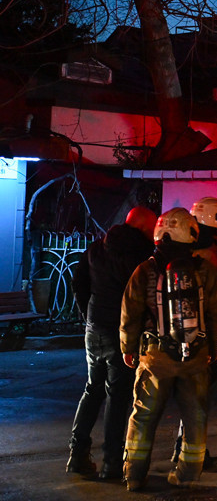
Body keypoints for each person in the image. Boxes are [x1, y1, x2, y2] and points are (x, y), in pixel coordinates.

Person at [119, 208, 217, 492]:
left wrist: (128, 348)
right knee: (195, 418)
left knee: (143, 417)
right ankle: (187, 475)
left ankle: (134, 475)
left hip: (156, 358)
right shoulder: (205, 269)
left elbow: (130, 314)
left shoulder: (145, 270)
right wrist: (213, 347)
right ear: (190, 234)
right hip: (196, 357)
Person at [67, 205, 156, 481]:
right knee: (118, 398)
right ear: (142, 227)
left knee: (93, 389)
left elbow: (79, 283)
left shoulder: (96, 248)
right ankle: (112, 463)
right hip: (121, 333)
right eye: (152, 228)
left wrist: (88, 315)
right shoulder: (140, 257)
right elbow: (143, 299)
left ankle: (77, 454)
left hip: (94, 330)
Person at [175, 196, 217, 469]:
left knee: (191, 398)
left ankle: (182, 450)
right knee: (200, 400)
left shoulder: (182, 250)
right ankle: (193, 457)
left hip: (182, 335)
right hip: (205, 337)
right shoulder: (211, 256)